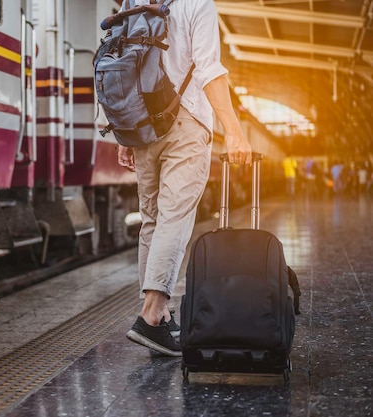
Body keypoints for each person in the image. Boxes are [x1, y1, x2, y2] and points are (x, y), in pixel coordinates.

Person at [116, 0, 252, 357]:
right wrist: (234, 131)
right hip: (186, 120)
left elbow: (121, 66)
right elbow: (208, 69)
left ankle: (155, 315)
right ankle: (151, 316)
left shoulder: (133, 1)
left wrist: (123, 132)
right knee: (174, 217)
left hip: (141, 124)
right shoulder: (198, 3)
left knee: (152, 220)